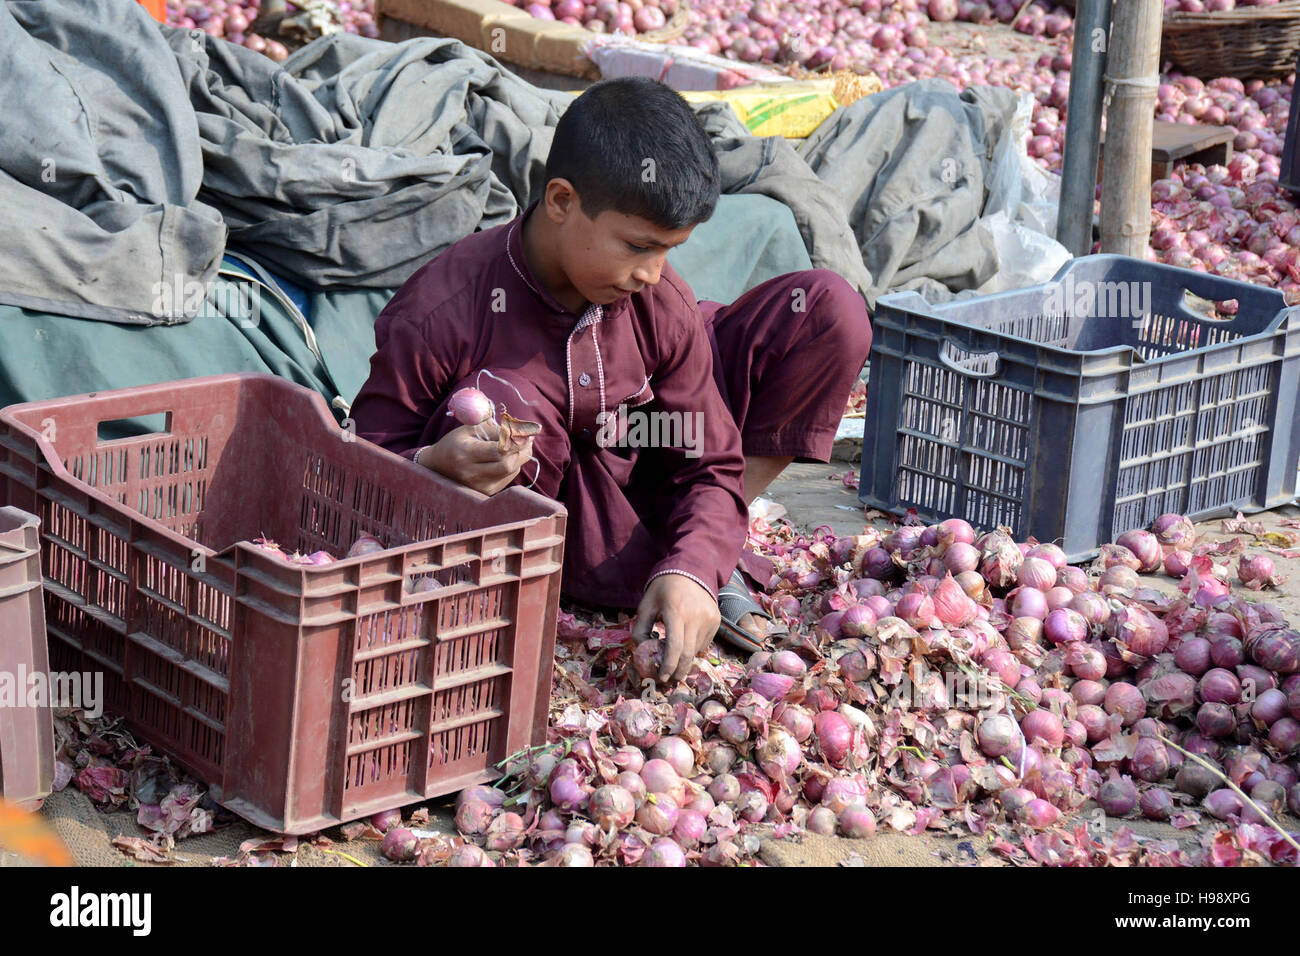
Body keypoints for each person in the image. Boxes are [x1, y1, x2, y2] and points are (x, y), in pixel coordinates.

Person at [349, 76, 871, 683]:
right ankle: (563, 588)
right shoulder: (444, 308)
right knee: (507, 408)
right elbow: (358, 468)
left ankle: (696, 571)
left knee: (828, 308)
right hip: (538, 518)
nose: (652, 273)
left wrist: (696, 564)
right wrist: (432, 466)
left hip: (636, 465)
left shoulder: (659, 301)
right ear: (562, 201)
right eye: (637, 247)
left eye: (669, 251)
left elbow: (708, 459)